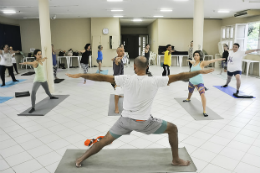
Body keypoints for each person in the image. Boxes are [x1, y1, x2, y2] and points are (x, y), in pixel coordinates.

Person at [66, 56, 214, 168]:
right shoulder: (156, 80)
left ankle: (80, 159)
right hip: (143, 122)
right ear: (148, 66)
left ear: (134, 67)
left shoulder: (126, 79)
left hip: (124, 121)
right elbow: (180, 76)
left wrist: (82, 75)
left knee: (105, 140)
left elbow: (101, 77)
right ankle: (175, 159)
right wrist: (199, 71)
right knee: (173, 129)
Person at [184, 50, 224, 117]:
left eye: (197, 55)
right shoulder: (193, 62)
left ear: (200, 56)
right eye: (195, 55)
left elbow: (211, 61)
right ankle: (188, 99)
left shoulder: (202, 63)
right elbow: (191, 61)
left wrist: (219, 59)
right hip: (191, 81)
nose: (196, 56)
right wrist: (189, 61)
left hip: (199, 82)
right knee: (190, 91)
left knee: (202, 94)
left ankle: (204, 111)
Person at [19, 49, 58, 113]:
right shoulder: (35, 62)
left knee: (47, 91)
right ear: (35, 55)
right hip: (37, 80)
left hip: (43, 79)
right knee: (33, 92)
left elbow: (43, 59)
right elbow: (30, 63)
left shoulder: (41, 60)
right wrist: (24, 63)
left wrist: (44, 58)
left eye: (40, 54)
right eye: (38, 54)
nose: (40, 55)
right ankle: (33, 107)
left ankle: (51, 96)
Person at [111, 47, 124, 114]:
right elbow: (117, 60)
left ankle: (119, 95)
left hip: (120, 78)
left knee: (119, 91)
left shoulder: (118, 58)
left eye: (123, 51)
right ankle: (116, 107)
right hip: (116, 79)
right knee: (117, 92)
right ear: (117, 52)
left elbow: (115, 59)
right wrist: (116, 59)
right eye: (121, 51)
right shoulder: (118, 59)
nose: (123, 52)